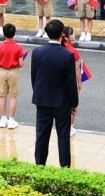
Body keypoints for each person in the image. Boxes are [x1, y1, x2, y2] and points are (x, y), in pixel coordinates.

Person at [31, 18, 80, 168]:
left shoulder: (37, 52)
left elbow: (34, 77)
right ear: (62, 34)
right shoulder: (67, 55)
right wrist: (74, 103)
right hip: (62, 102)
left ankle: (40, 165)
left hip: (42, 99)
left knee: (41, 135)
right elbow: (71, 82)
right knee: (63, 136)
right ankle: (64, 168)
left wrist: (39, 94)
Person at [0, 22, 26, 128]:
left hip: (2, 71)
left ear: (3, 34)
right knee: (13, 96)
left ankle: (3, 119)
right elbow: (21, 64)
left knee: (2, 96)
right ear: (14, 33)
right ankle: (11, 120)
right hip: (13, 71)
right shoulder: (18, 47)